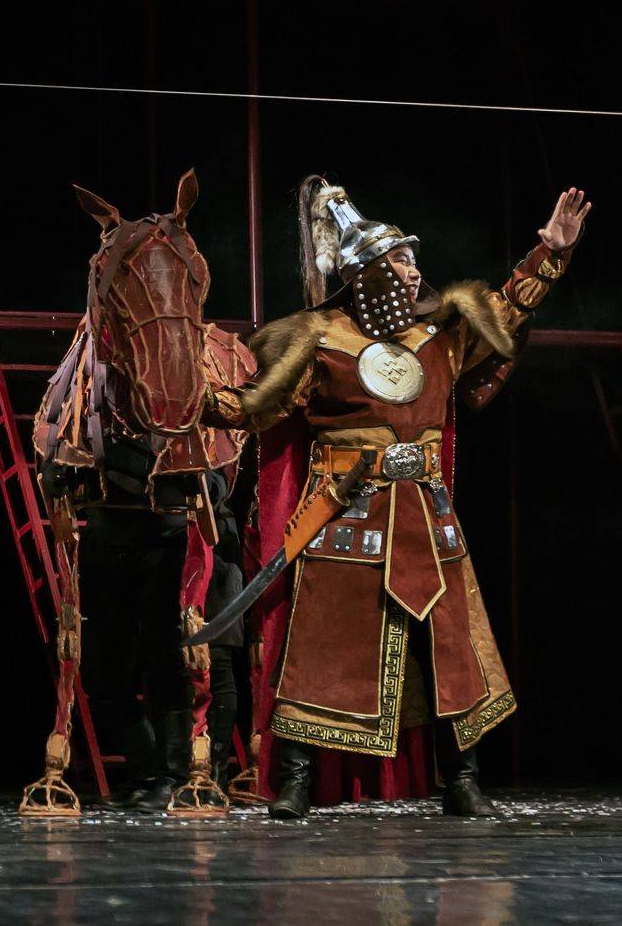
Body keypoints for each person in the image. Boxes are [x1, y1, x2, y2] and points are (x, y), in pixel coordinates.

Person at [205, 175, 590, 818]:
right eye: (402, 262)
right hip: (346, 513)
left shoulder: (440, 337)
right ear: (369, 274)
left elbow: (508, 309)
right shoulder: (319, 341)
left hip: (426, 518)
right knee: (320, 647)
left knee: (448, 649)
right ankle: (296, 780)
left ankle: (462, 780)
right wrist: (185, 400)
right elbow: (254, 408)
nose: (415, 273)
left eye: (414, 261)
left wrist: (550, 251)